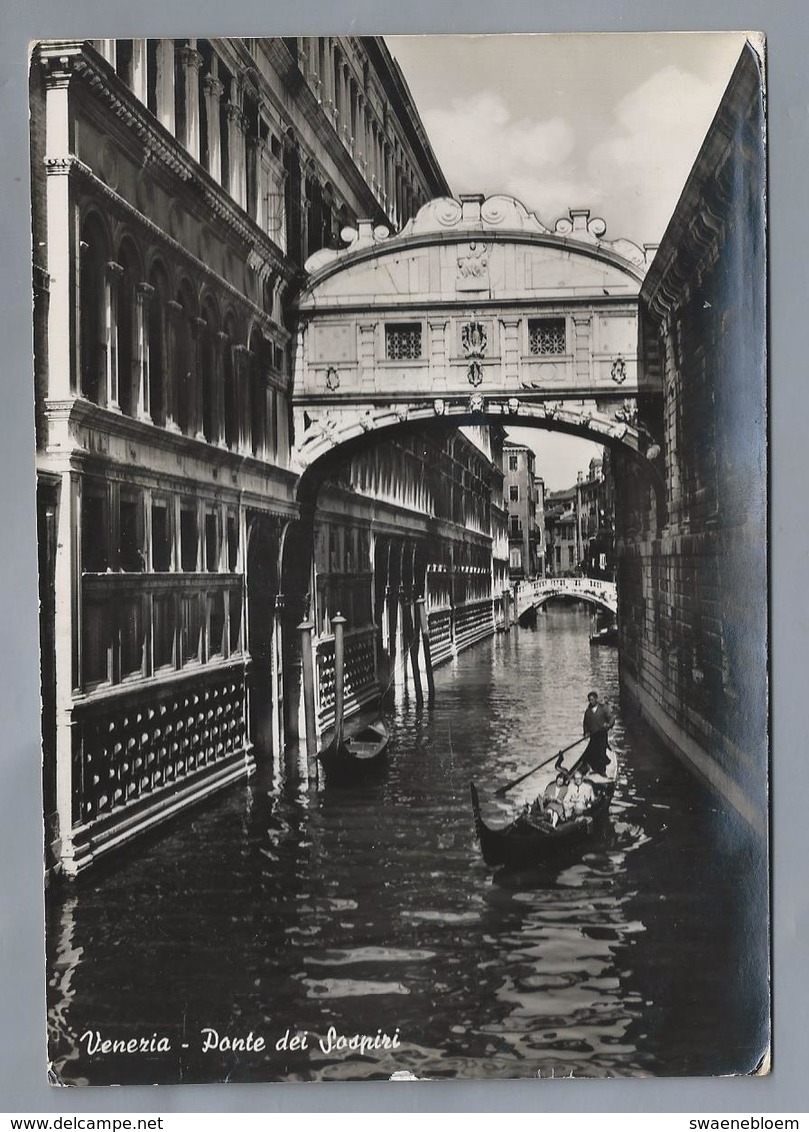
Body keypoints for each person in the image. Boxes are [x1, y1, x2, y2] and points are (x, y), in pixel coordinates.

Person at [581, 690, 614, 776]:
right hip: (593, 736)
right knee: (593, 752)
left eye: (592, 699)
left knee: (601, 752)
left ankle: (602, 771)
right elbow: (585, 724)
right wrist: (586, 733)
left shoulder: (603, 709)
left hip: (602, 735)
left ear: (596, 699)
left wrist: (608, 725)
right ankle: (594, 768)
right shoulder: (588, 712)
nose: (591, 701)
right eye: (589, 700)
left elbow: (611, 718)